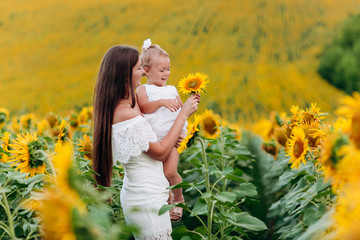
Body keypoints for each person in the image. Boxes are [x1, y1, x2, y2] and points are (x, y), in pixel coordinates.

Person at [92, 45, 200, 240]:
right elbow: (159, 152)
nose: (142, 73)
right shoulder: (125, 112)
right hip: (145, 199)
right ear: (125, 74)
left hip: (150, 193)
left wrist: (165, 187)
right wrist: (183, 114)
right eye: (139, 68)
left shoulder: (130, 104)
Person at [136, 41, 186, 222]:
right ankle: (168, 200)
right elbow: (144, 107)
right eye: (162, 70)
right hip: (154, 142)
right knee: (158, 177)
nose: (166, 73)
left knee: (171, 172)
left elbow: (182, 112)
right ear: (147, 71)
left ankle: (179, 198)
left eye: (168, 69)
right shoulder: (143, 90)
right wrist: (162, 102)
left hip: (171, 140)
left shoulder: (172, 90)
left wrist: (182, 134)